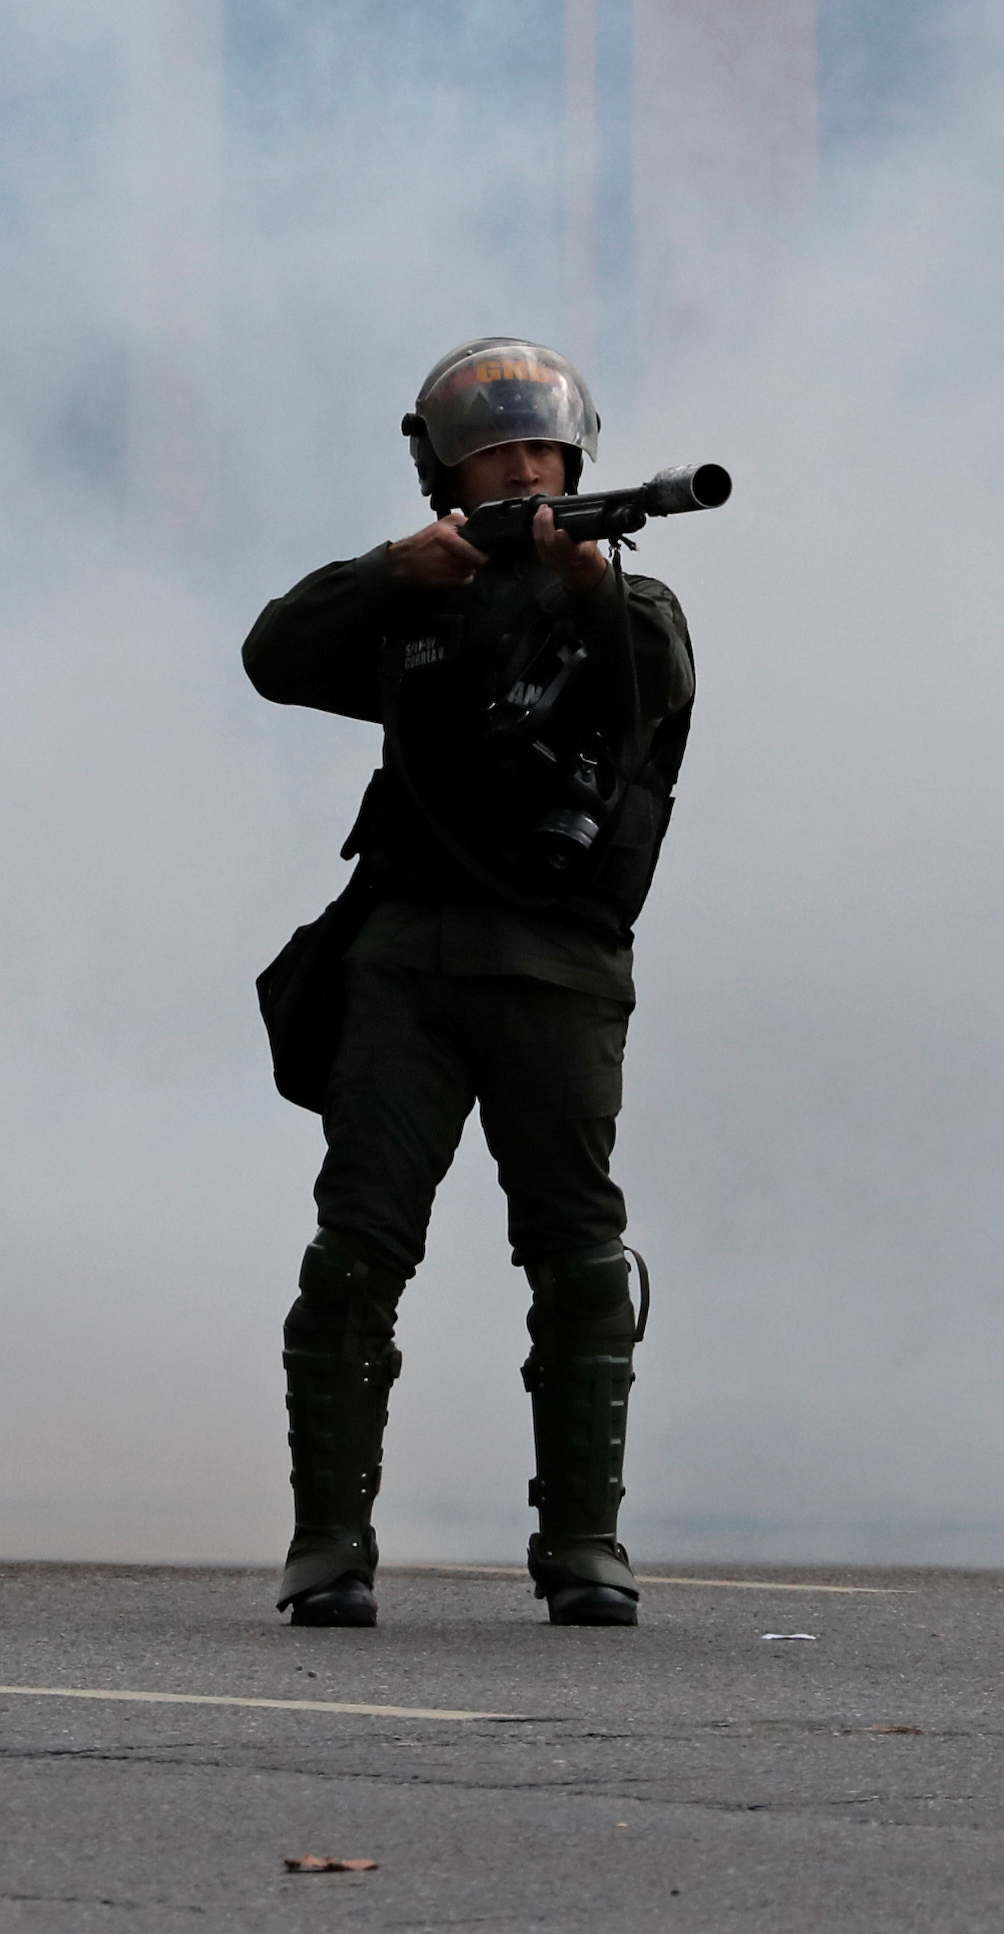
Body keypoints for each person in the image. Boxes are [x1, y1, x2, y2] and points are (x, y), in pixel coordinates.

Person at [244, 339, 697, 1629]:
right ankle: (329, 1545)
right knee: (357, 1252)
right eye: (493, 454)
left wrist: (587, 579)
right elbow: (277, 654)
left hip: (556, 973)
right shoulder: (417, 606)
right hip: (405, 969)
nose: (521, 469)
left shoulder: (633, 606)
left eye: (538, 450)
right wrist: (399, 568)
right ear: (448, 471)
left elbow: (651, 685)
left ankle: (584, 1545)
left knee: (577, 1254)